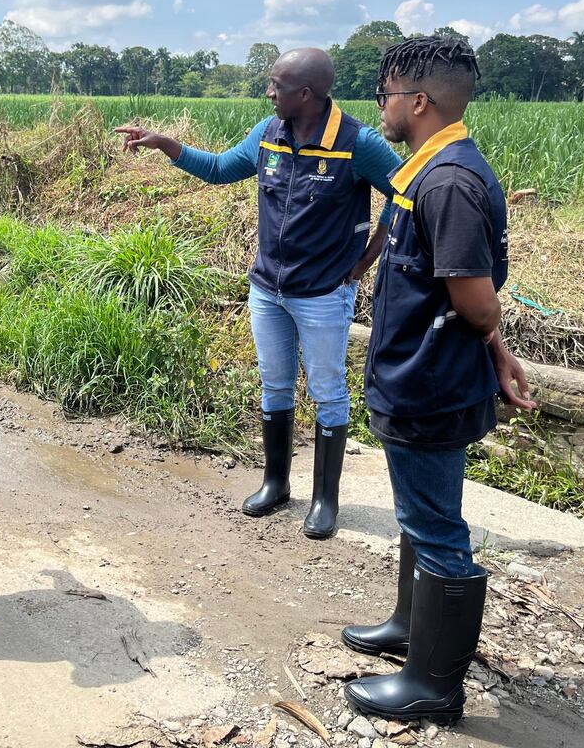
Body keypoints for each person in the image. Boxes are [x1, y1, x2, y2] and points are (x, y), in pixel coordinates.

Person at [118, 49, 400, 538]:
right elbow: (219, 168)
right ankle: (276, 484)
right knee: (275, 385)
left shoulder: (357, 143)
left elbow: (405, 192)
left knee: (327, 391)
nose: (269, 92)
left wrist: (367, 257)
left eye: (276, 85)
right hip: (268, 290)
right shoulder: (268, 134)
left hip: (323, 293)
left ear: (305, 94)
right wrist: (165, 144)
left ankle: (325, 500)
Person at [341, 36, 536, 723]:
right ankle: (409, 624)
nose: (380, 109)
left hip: (431, 382)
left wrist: (494, 343)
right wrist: (498, 350)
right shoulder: (425, 170)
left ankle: (435, 686)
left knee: (436, 525)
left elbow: (476, 301)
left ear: (418, 101)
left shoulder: (448, 182)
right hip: (419, 375)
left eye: (385, 96)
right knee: (418, 514)